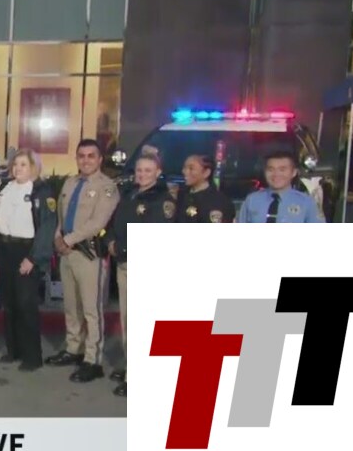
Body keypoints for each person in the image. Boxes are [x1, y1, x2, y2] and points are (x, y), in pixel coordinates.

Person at [46, 138, 119, 383]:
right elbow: (62, 215)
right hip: (67, 253)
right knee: (72, 306)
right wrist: (58, 237)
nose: (85, 160)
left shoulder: (107, 187)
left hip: (89, 255)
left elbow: (98, 222)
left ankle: (92, 360)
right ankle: (73, 348)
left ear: (100, 159)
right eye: (81, 156)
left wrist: (68, 239)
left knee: (91, 309)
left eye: (91, 156)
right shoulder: (70, 182)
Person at [108, 152, 176, 397]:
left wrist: (122, 248)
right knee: (128, 320)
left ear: (158, 172)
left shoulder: (162, 200)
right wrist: (110, 241)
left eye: (148, 170)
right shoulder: (130, 194)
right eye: (139, 170)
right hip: (124, 265)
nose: (142, 174)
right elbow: (115, 223)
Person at [0, 149, 56, 372]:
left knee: (26, 303)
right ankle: (13, 350)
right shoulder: (5, 187)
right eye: (15, 164)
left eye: (23, 164)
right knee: (9, 303)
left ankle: (32, 356)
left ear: (33, 167)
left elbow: (47, 228)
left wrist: (33, 258)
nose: (18, 168)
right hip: (4, 248)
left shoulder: (41, 191)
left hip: (26, 251)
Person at [238, 151, 325, 223]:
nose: (276, 174)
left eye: (282, 170)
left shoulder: (307, 203)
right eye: (271, 169)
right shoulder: (252, 201)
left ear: (294, 172)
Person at [176, 154, 235, 223]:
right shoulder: (181, 195)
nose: (184, 171)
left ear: (206, 173)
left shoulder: (218, 202)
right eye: (184, 167)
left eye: (191, 168)